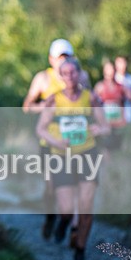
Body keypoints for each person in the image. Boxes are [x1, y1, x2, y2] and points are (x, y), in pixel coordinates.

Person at [36, 57, 109, 260]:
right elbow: (40, 129)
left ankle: (80, 250)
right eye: (65, 73)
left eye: (73, 73)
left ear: (79, 74)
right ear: (60, 76)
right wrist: (56, 141)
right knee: (67, 210)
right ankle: (63, 223)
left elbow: (105, 126)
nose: (69, 77)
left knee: (86, 206)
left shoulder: (90, 97)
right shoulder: (53, 99)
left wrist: (98, 129)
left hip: (87, 154)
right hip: (61, 157)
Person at [23, 39, 89, 240]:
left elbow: (91, 102)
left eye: (67, 56)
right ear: (51, 59)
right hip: (50, 143)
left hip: (78, 142)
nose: (64, 60)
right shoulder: (43, 78)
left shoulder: (81, 76)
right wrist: (45, 107)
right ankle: (53, 217)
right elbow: (27, 106)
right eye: (60, 57)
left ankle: (73, 227)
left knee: (78, 185)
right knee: (52, 187)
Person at [93, 59, 127, 152]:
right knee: (106, 149)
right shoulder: (100, 86)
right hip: (105, 123)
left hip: (118, 123)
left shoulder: (121, 87)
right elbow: (94, 104)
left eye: (111, 69)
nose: (110, 72)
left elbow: (124, 103)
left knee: (119, 149)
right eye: (107, 69)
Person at [114, 55, 131, 123]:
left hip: (129, 111)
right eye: (119, 62)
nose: (121, 65)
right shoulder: (112, 79)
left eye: (123, 62)